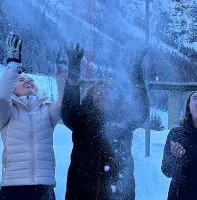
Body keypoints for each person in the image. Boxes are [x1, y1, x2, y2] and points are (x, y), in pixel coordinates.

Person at [61, 44, 149, 200]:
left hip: (118, 193)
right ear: (90, 97)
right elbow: (68, 111)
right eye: (98, 90)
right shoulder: (81, 118)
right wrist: (73, 74)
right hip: (82, 193)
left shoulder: (123, 117)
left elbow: (141, 110)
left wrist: (136, 70)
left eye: (108, 90)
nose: (103, 92)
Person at [0, 34, 66, 200]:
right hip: (13, 187)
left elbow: (65, 104)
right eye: (21, 79)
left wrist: (62, 72)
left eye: (31, 80)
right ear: (13, 88)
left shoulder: (47, 111)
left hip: (44, 187)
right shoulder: (8, 112)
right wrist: (13, 65)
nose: (28, 81)